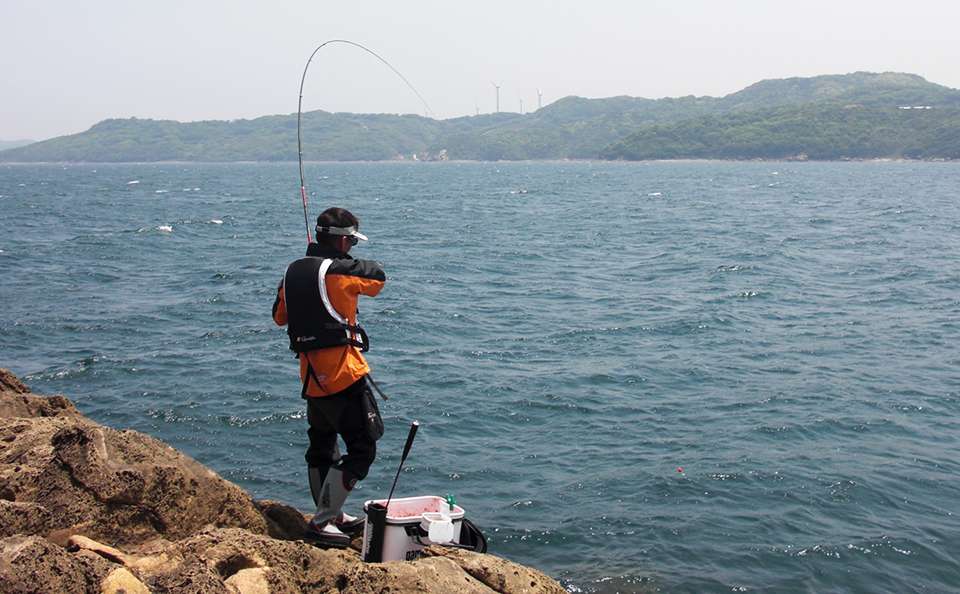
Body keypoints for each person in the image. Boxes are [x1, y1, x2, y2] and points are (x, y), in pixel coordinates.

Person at [272, 206, 386, 548]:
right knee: (363, 448)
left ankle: (331, 514)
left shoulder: (292, 272)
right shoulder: (338, 271)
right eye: (351, 241)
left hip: (311, 378)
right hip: (342, 375)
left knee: (321, 447)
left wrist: (317, 260)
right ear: (342, 240)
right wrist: (333, 261)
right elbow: (377, 279)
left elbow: (280, 317)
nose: (353, 247)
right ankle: (323, 521)